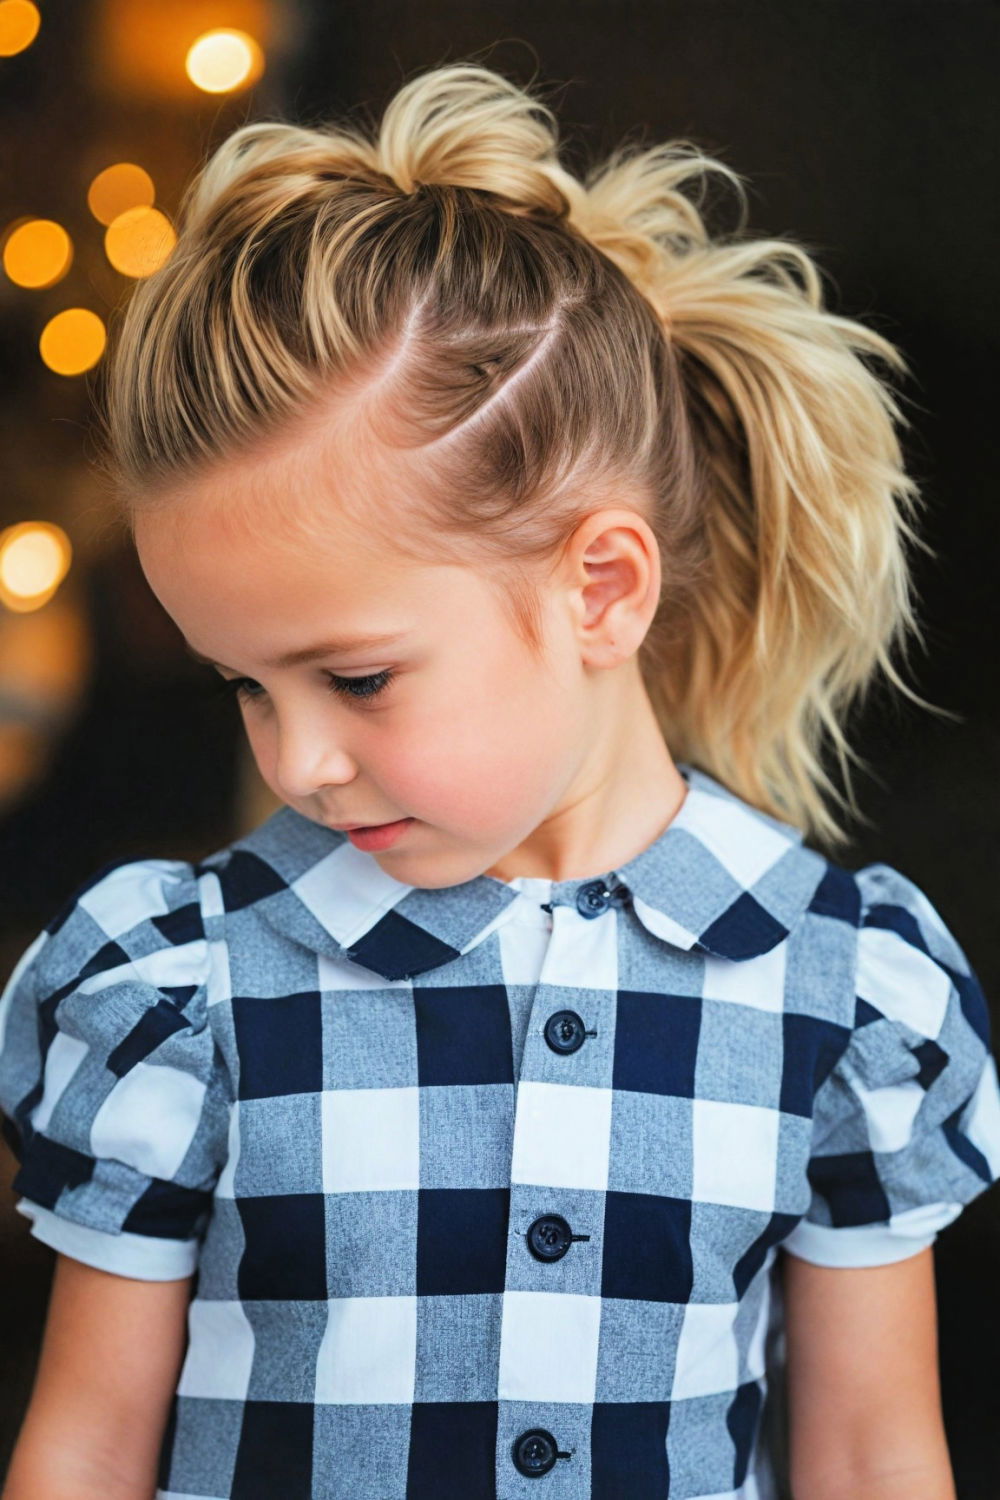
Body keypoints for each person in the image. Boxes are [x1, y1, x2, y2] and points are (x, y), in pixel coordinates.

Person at [1, 60, 998, 1500]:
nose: (295, 762)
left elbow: (869, 1455)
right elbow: (86, 1450)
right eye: (245, 686)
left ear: (602, 589)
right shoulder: (181, 988)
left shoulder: (843, 993)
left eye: (356, 679)